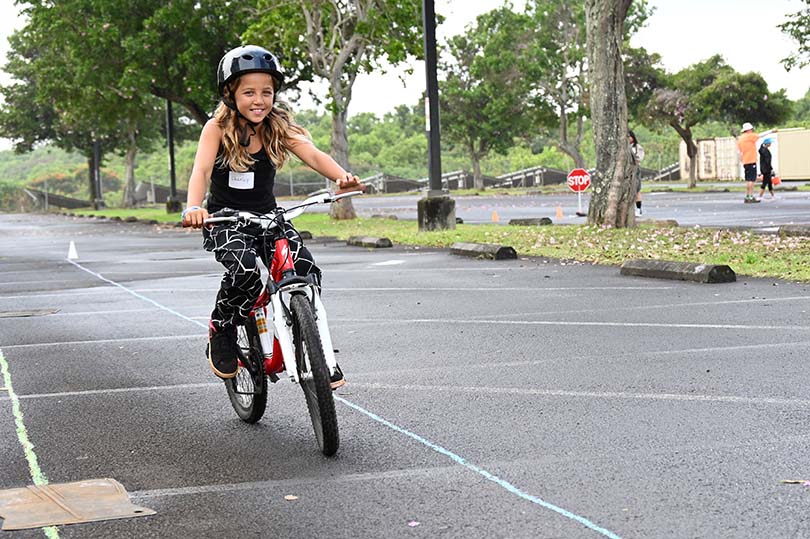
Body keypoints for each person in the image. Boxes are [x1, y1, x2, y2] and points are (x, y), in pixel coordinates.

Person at [182, 45, 361, 388]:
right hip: (225, 220)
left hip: (268, 217)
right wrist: (194, 208)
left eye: (267, 91)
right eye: (249, 92)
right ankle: (222, 328)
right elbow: (201, 171)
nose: (259, 100)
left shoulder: (277, 125)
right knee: (247, 272)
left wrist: (342, 177)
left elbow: (313, 154)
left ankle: (319, 352)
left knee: (306, 269)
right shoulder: (216, 127)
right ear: (230, 93)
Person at [737, 122, 760, 203]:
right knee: (752, 180)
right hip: (751, 160)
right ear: (749, 129)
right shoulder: (750, 136)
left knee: (747, 179)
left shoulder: (740, 139)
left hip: (745, 161)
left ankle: (747, 196)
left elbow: (739, 152)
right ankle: (750, 196)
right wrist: (771, 131)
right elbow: (760, 135)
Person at [628, 130, 645, 216]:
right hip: (626, 170)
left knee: (637, 189)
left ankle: (638, 209)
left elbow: (639, 158)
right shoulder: (624, 147)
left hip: (635, 169)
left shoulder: (637, 147)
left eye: (629, 136)